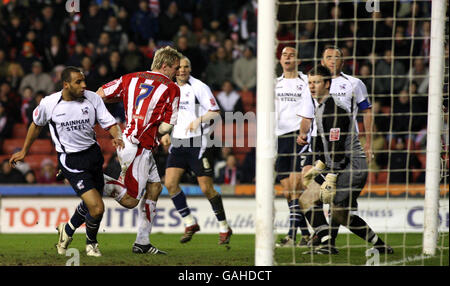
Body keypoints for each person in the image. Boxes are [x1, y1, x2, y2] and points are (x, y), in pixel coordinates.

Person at [9, 66, 124, 257]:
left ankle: (67, 230)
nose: (84, 85)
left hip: (93, 156)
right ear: (66, 84)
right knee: (97, 207)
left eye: (84, 80)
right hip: (71, 160)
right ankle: (91, 244)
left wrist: (116, 136)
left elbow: (109, 122)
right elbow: (36, 126)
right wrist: (24, 151)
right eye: (78, 82)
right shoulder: (50, 103)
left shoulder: (92, 98)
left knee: (92, 204)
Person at [297, 65, 393, 255]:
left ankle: (326, 242)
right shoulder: (321, 108)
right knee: (321, 206)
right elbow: (325, 147)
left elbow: (337, 148)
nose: (312, 86)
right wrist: (317, 168)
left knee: (327, 208)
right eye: (309, 82)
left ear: (327, 83)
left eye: (316, 82)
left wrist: (330, 176)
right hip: (338, 165)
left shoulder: (335, 110)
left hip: (352, 166)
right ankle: (374, 245)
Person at [96, 46, 182, 254]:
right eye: (175, 68)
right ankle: (93, 178)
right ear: (165, 66)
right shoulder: (172, 88)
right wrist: (160, 128)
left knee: (155, 188)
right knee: (130, 201)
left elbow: (99, 94)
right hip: (138, 146)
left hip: (130, 140)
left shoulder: (130, 78)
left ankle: (142, 242)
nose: (177, 73)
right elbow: (167, 126)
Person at [160, 56, 233, 245]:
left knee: (206, 188)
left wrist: (199, 121)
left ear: (190, 69)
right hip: (178, 143)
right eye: (179, 67)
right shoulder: (169, 89)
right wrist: (167, 132)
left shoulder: (199, 87)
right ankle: (189, 222)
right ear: (174, 69)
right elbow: (169, 115)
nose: (182, 70)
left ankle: (224, 226)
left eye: (186, 67)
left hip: (199, 143)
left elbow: (215, 113)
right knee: (170, 183)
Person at [274, 46, 311, 247]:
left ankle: (291, 236)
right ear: (280, 60)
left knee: (296, 189)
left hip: (299, 138)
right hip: (280, 139)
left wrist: (306, 132)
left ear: (297, 59)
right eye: (284, 55)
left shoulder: (305, 81)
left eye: (292, 55)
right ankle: (306, 235)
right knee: (288, 192)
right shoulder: (274, 84)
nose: (288, 57)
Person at [320, 46, 374, 163]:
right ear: (322, 62)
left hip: (347, 140)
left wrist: (369, 143)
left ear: (343, 62)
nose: (333, 60)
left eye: (336, 57)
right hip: (319, 140)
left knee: (344, 178)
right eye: (329, 57)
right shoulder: (312, 84)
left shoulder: (355, 83)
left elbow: (367, 111)